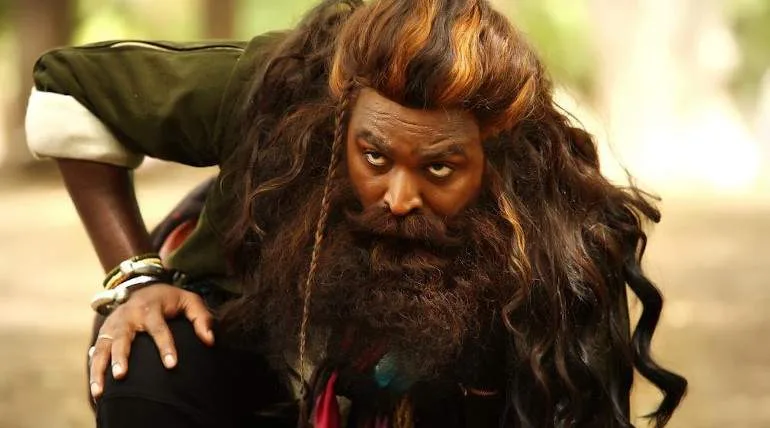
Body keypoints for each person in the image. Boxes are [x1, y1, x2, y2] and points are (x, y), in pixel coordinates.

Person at [25, 0, 687, 427]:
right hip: (250, 353)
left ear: (496, 159)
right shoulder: (283, 89)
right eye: (374, 156)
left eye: (438, 169)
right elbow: (68, 94)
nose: (397, 198)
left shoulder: (560, 227)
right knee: (150, 364)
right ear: (339, 120)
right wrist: (136, 277)